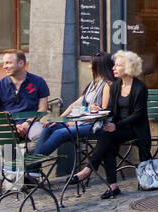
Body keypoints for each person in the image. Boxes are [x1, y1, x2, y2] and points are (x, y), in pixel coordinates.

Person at [65, 50, 152, 199]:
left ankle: (88, 170)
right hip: (118, 128)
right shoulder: (116, 85)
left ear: (129, 68)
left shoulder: (140, 88)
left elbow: (138, 115)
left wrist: (116, 126)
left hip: (135, 130)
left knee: (107, 136)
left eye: (118, 66)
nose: (113, 68)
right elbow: (111, 109)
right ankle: (113, 186)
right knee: (108, 143)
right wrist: (100, 110)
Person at [31, 52, 116, 174]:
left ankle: (28, 164)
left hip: (96, 126)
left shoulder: (107, 85)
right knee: (50, 126)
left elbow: (103, 111)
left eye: (92, 63)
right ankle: (33, 171)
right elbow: (75, 104)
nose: (89, 66)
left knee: (60, 133)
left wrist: (77, 120)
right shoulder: (93, 84)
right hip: (82, 122)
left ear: (98, 66)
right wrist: (59, 119)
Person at [0, 51, 51, 145]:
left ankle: (28, 157)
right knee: (6, 146)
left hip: (31, 124)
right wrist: (12, 126)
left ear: (21, 63)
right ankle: (14, 158)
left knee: (42, 134)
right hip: (6, 126)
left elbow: (42, 109)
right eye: (4, 63)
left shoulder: (38, 82)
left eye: (8, 63)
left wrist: (27, 123)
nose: (4, 66)